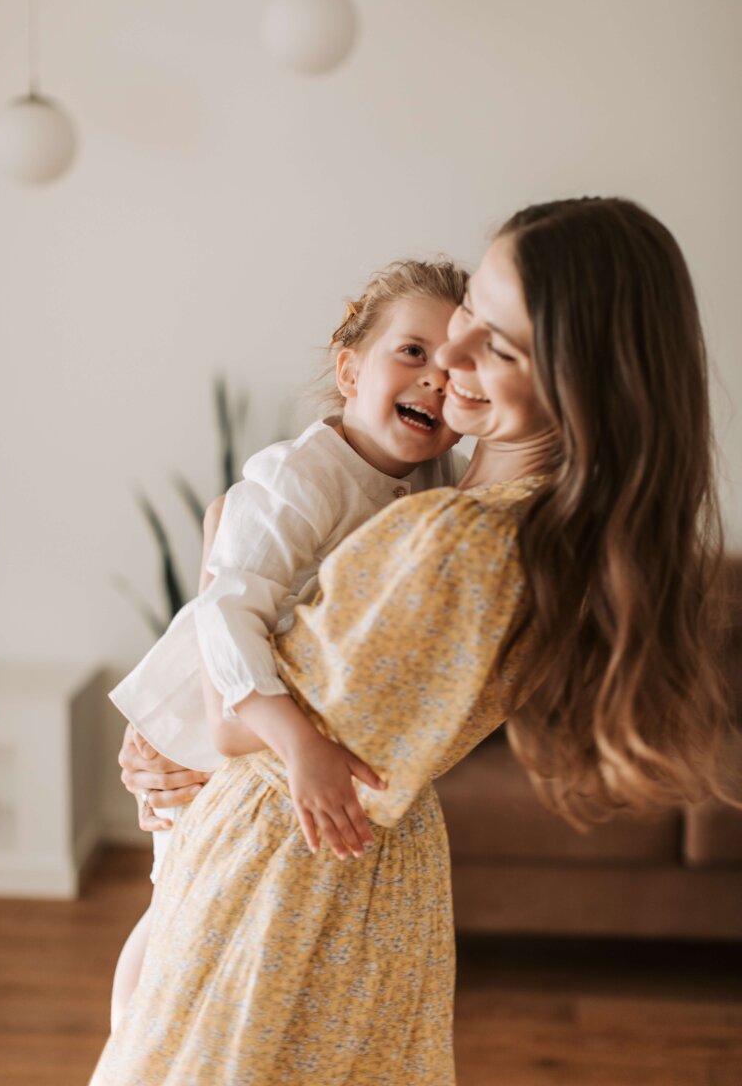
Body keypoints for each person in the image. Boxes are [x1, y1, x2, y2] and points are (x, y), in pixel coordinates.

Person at [98, 197, 736, 1086]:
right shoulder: (477, 515)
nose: (454, 361)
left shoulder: (456, 543)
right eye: (472, 306)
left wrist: (218, 535)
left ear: (575, 382)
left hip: (286, 880)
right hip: (327, 872)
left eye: (499, 346)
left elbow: (237, 721)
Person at [107, 259, 469, 1029]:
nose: (435, 378)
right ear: (349, 368)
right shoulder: (304, 475)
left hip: (254, 723)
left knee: (202, 917)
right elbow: (229, 608)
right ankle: (129, 1052)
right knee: (178, 906)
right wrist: (299, 745)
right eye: (412, 352)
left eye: (453, 364)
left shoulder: (433, 484)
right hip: (207, 714)